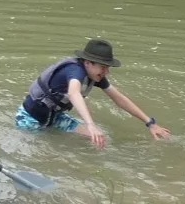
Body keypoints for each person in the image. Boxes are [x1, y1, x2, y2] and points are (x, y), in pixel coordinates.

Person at [17, 38, 172, 149]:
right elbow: (74, 93)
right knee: (43, 151)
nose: (107, 72)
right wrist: (90, 125)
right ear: (87, 63)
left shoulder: (95, 75)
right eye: (103, 67)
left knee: (100, 138)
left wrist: (150, 123)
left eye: (108, 67)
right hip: (30, 119)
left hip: (56, 118)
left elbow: (120, 99)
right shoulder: (74, 71)